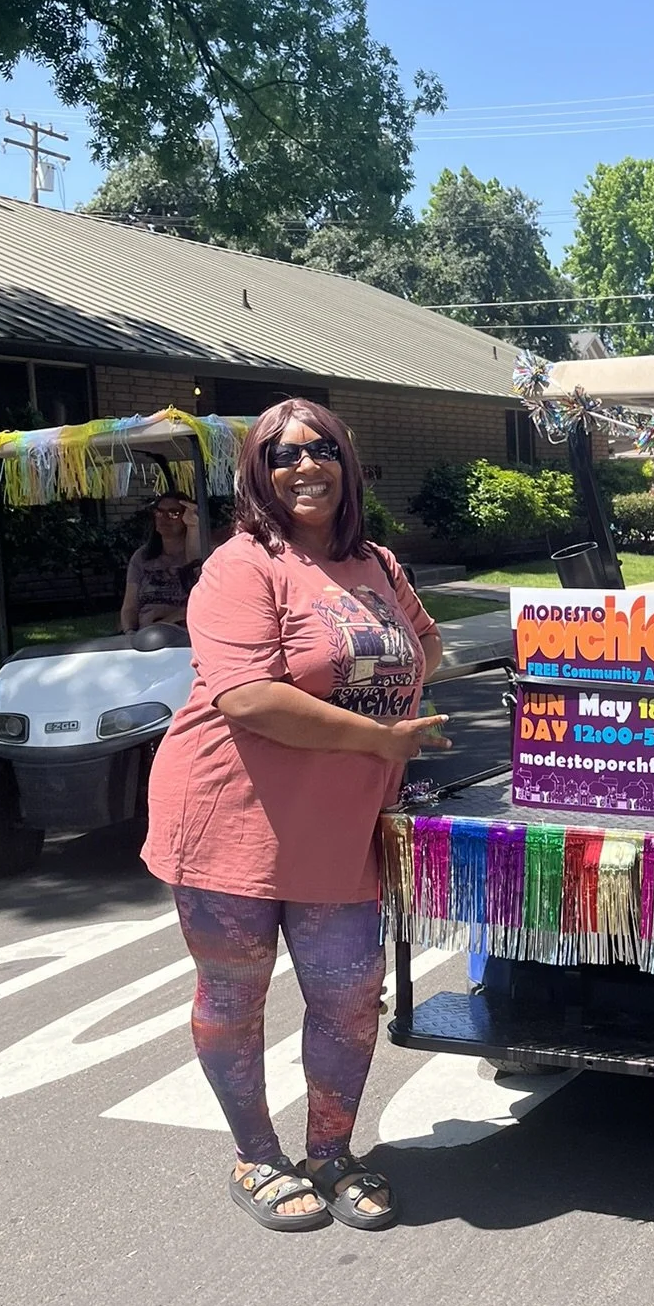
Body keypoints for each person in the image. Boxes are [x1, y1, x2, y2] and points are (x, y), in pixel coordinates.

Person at [143, 398, 449, 1232]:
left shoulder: (377, 563)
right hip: (227, 817)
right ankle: (256, 1154)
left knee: (351, 996)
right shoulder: (241, 568)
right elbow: (247, 698)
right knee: (235, 996)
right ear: (258, 474)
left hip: (343, 825)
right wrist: (382, 735)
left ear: (347, 464)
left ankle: (333, 1151)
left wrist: (404, 676)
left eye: (320, 451)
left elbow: (428, 641)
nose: (303, 466)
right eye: (281, 455)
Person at [120, 491, 200, 633]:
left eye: (173, 513)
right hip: (144, 637)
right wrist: (129, 633)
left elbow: (196, 567)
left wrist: (193, 527)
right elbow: (129, 607)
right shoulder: (141, 557)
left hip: (184, 635)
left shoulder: (200, 553)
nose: (164, 518)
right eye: (159, 512)